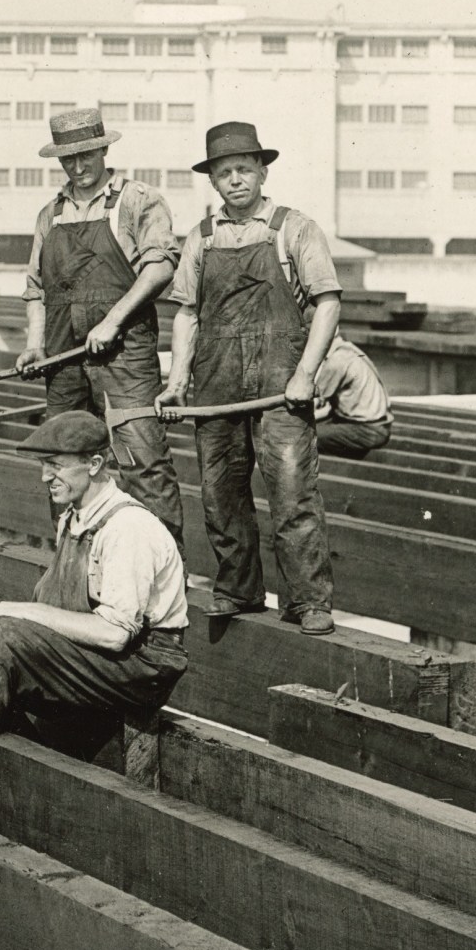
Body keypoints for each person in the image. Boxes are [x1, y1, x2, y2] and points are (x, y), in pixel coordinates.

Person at [0, 411, 188, 807]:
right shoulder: (73, 518)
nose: (44, 477)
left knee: (3, 637)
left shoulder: (127, 528)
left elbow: (114, 632)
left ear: (94, 465)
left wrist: (15, 619)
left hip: (141, 666)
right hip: (107, 659)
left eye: (55, 466)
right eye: (43, 465)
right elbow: (60, 612)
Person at [159, 121, 342, 634]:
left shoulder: (293, 228)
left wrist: (306, 373)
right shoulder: (200, 238)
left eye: (244, 169)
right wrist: (176, 382)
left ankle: (308, 601)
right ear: (213, 182)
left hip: (281, 386)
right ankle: (237, 590)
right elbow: (187, 315)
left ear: (262, 171)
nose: (235, 179)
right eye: (224, 172)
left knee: (292, 494)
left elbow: (327, 302)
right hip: (216, 384)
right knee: (220, 494)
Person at [14, 107, 184, 536]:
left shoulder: (137, 201)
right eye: (67, 159)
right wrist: (36, 345)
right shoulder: (49, 215)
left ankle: (160, 575)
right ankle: (75, 570)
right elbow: (36, 288)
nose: (78, 166)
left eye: (86, 155)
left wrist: (112, 320)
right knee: (62, 461)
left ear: (104, 148)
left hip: (124, 355)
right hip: (63, 360)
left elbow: (161, 266)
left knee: (141, 459)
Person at [310, 335, 393, 457]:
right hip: (378, 425)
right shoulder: (348, 350)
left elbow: (311, 404)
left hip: (367, 430)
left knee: (302, 437)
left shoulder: (336, 361)